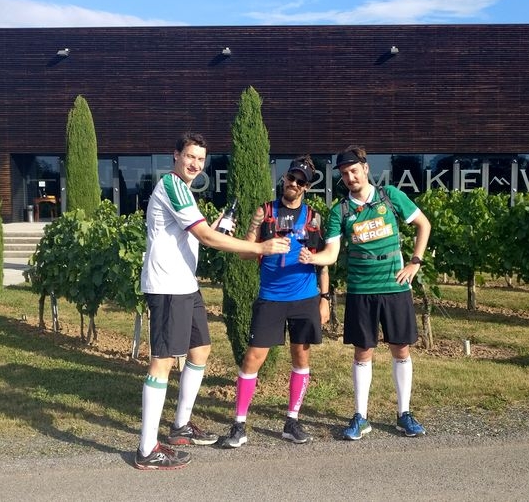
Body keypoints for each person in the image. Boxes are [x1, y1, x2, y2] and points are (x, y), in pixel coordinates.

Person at [134, 132, 290, 470]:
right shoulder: (173, 186)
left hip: (184, 284)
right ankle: (146, 449)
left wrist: (219, 225)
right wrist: (260, 248)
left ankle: (180, 426)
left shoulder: (185, 191)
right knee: (162, 362)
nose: (195, 164)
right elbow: (205, 236)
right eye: (190, 156)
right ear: (175, 155)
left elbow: (199, 233)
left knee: (200, 349)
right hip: (166, 286)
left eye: (200, 159)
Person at [299, 144, 432, 440]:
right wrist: (312, 258)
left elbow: (424, 224)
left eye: (354, 171)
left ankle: (404, 414)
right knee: (363, 352)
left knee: (401, 348)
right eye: (345, 174)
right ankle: (361, 416)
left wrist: (415, 262)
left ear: (366, 169)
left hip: (394, 287)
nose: (350, 177)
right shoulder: (340, 211)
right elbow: (332, 253)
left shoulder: (390, 197)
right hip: (361, 291)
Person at [219, 156, 331, 448]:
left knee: (301, 356)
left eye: (300, 181)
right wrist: (261, 247)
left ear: (306, 187)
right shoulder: (265, 212)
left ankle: (291, 421)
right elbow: (245, 252)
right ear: (284, 178)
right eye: (290, 177)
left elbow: (323, 262)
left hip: (305, 298)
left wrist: (326, 298)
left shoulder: (314, 217)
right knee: (252, 358)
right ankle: (239, 425)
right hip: (271, 298)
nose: (293, 183)